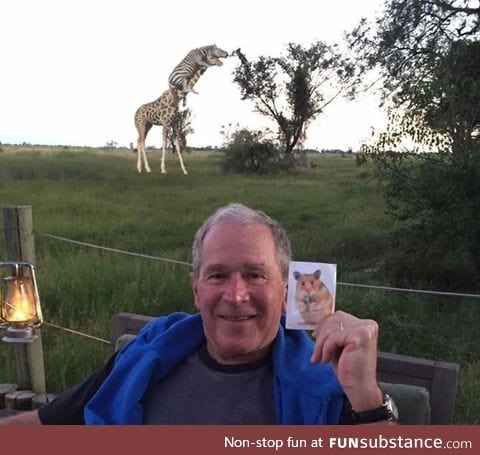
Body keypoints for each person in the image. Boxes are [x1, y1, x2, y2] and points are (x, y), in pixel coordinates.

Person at [1, 203, 397, 425]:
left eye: (255, 275)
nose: (236, 295)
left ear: (286, 290)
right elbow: (43, 425)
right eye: (218, 275)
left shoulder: (325, 387)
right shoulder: (145, 353)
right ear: (196, 289)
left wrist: (366, 395)